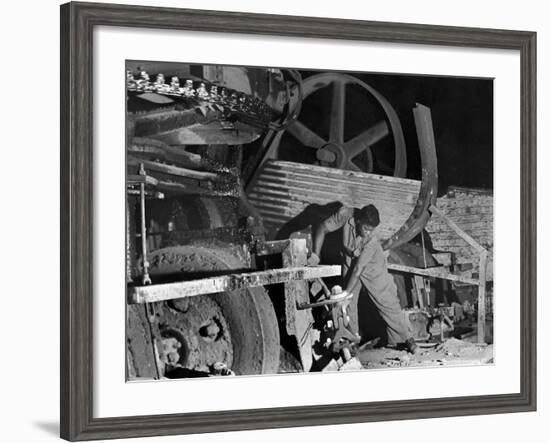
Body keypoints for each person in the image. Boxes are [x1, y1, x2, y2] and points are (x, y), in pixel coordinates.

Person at [310, 204, 418, 354]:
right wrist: (316, 254)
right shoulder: (345, 214)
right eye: (366, 228)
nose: (368, 233)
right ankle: (351, 340)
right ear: (358, 221)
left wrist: (346, 291)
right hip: (350, 260)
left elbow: (358, 269)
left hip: (371, 265)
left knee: (386, 300)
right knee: (348, 305)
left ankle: (407, 338)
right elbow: (322, 227)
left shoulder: (372, 240)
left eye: (371, 230)